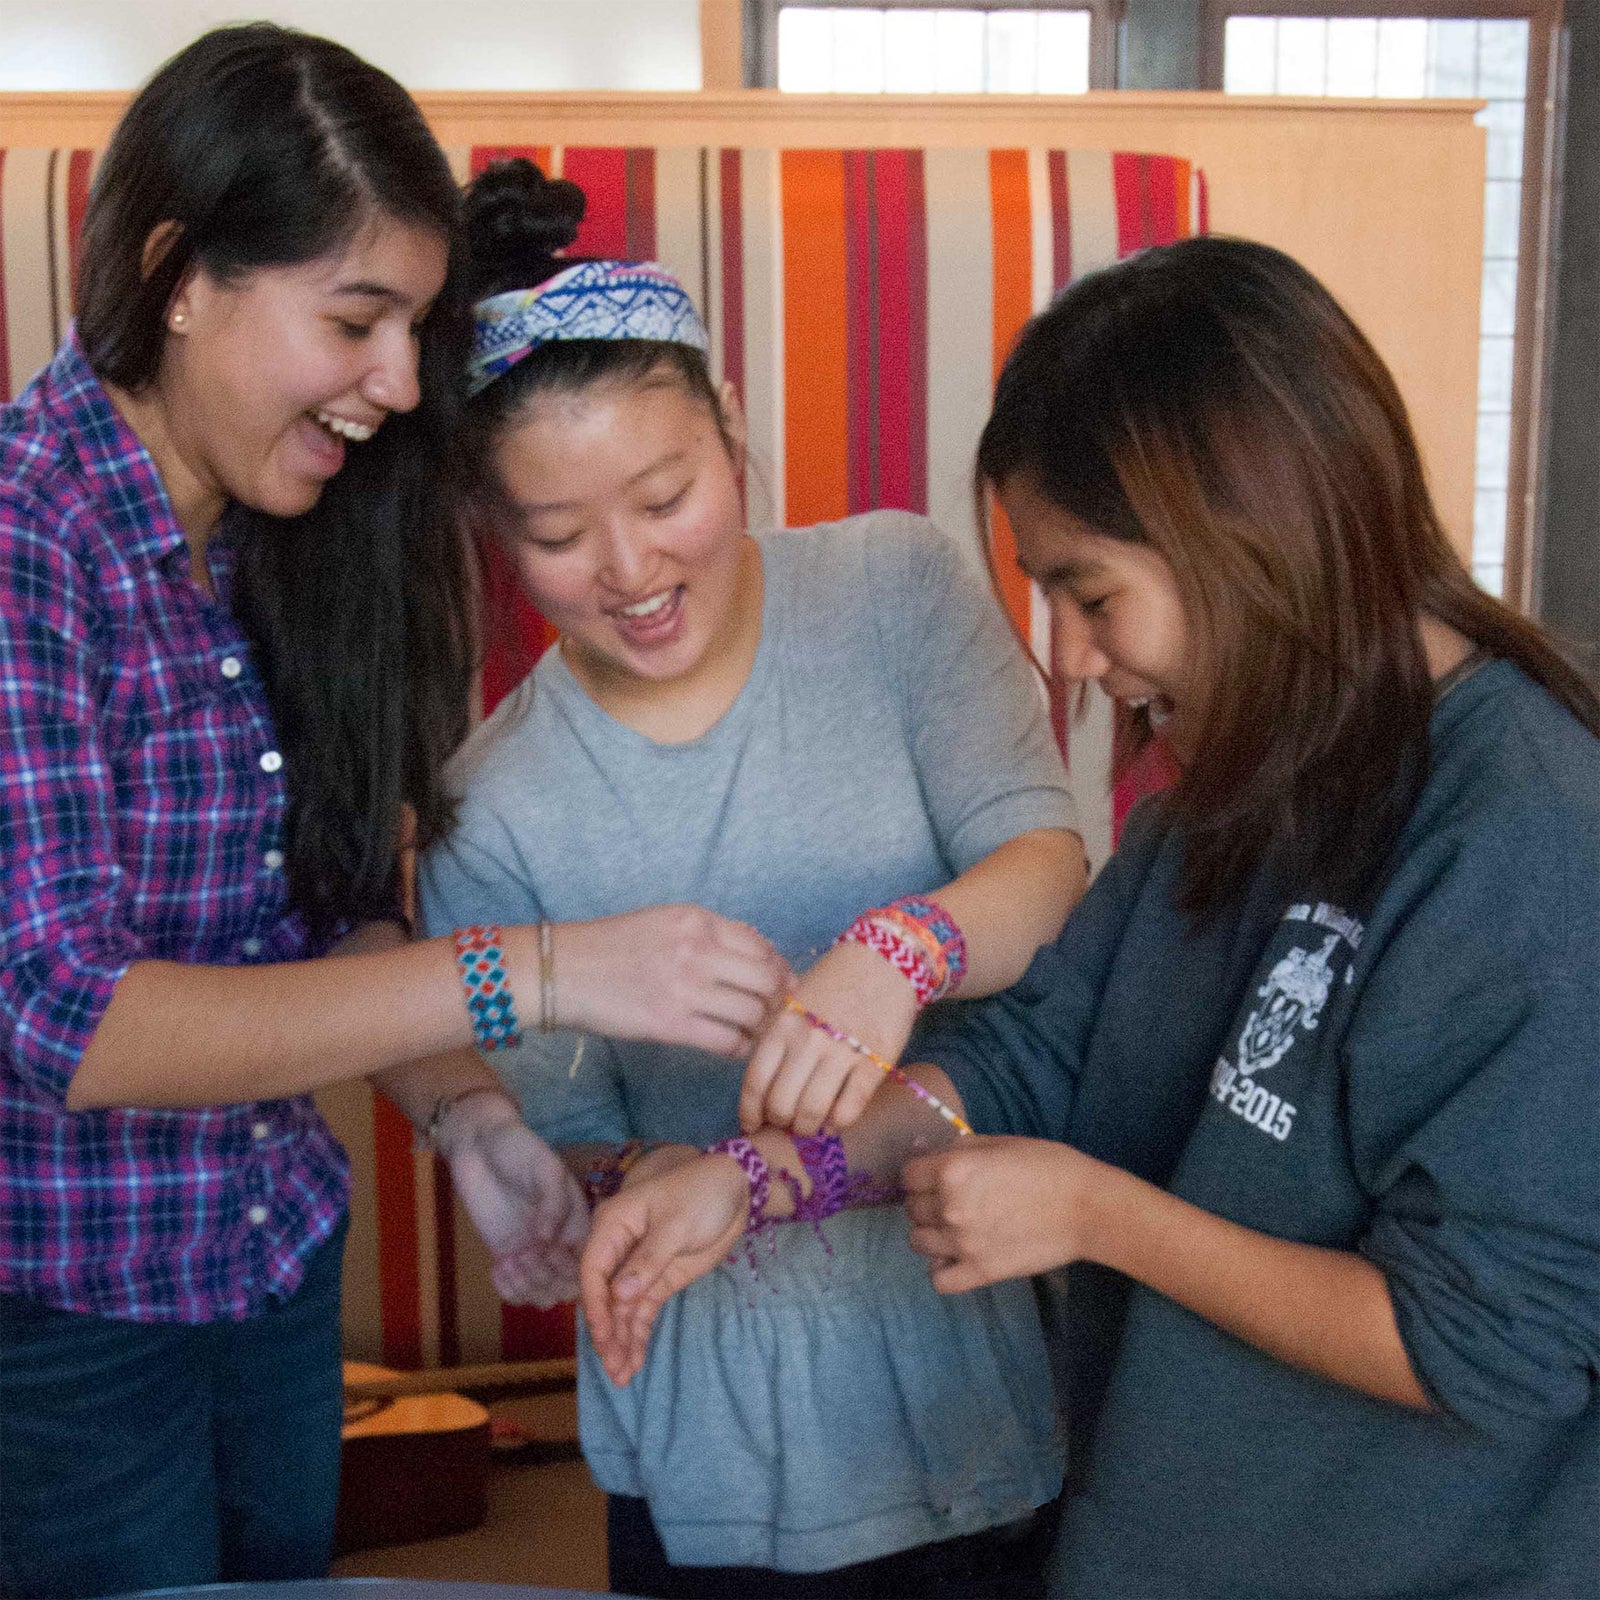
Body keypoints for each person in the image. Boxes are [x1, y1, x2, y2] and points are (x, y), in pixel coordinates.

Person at [585, 235, 1600, 1600]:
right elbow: (1035, 1057)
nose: (1065, 655)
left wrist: (1101, 1217)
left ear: (1256, 533)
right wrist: (759, 1180)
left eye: (1090, 592)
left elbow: (1486, 1348)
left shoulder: (1528, 830)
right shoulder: (1238, 779)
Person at [0, 30, 789, 1600]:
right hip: (64, 1326)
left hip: (273, 1262)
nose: (400, 383)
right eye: (355, 321)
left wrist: (472, 1124)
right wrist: (545, 972)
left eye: (416, 329)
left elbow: (333, 917)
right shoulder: (31, 544)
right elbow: (67, 1016)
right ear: (176, 276)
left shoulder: (275, 534)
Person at [418, 157, 1088, 1598]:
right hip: (720, 1425)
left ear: (733, 433)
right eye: (557, 535)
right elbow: (576, 1146)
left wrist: (897, 952)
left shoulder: (897, 591)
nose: (629, 569)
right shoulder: (495, 810)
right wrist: (632, 1173)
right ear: (493, 529)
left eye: (665, 495)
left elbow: (1046, 877)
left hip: (970, 1340)